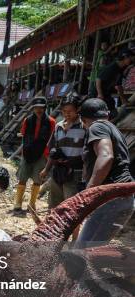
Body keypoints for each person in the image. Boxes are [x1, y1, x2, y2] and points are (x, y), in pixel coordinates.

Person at [76, 98, 134, 244]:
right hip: (119, 198)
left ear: (82, 119)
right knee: (86, 248)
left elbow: (106, 156)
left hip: (112, 199)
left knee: (85, 251)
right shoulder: (114, 129)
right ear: (107, 114)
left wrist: (88, 192)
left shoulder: (97, 127)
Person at [39, 95, 86, 239]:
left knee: (72, 208)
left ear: (78, 110)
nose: (67, 114)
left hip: (75, 173)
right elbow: (53, 151)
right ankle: (52, 237)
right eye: (64, 111)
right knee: (53, 206)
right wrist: (46, 169)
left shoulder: (84, 127)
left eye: (70, 111)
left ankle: (74, 240)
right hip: (58, 172)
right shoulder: (59, 126)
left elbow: (88, 154)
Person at [13, 97, 56, 214]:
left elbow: (52, 139)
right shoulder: (28, 120)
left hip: (42, 154)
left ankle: (32, 203)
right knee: (22, 178)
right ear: (33, 108)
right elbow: (23, 135)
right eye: (36, 107)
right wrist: (24, 151)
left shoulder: (51, 122)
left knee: (37, 180)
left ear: (45, 108)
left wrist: (47, 155)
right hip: (27, 153)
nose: (38, 110)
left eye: (41, 107)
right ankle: (18, 202)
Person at [95, 49, 133, 117]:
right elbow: (98, 79)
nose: (131, 60)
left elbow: (119, 85)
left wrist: (123, 99)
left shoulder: (121, 68)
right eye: (130, 58)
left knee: (113, 112)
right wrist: (100, 94)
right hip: (97, 94)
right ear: (125, 57)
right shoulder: (113, 67)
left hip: (106, 94)